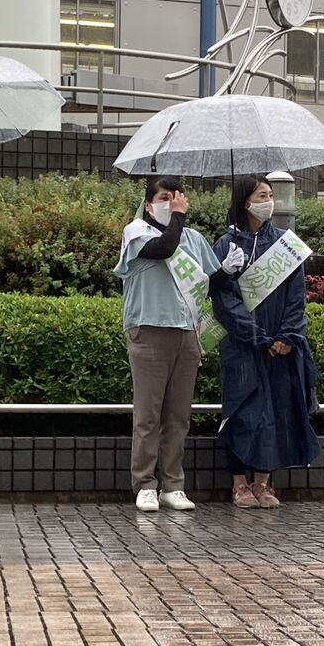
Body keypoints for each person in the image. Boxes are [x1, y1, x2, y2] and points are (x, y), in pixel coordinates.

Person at [114, 177, 244, 513]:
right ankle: (145, 484)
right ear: (148, 204)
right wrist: (178, 217)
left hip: (187, 332)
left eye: (176, 197)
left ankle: (173, 484)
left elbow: (207, 284)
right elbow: (164, 248)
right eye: (163, 197)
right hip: (149, 329)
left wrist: (228, 269)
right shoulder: (137, 232)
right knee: (148, 414)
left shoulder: (193, 239)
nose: (170, 203)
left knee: (178, 415)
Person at [211, 175, 319, 508]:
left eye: (271, 194)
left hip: (280, 347)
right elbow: (223, 300)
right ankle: (239, 483)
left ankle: (263, 482)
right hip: (242, 346)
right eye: (262, 194)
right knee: (242, 409)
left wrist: (287, 336)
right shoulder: (227, 244)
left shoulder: (286, 243)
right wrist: (256, 336)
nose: (269, 200)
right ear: (245, 200)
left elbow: (295, 296)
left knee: (277, 409)